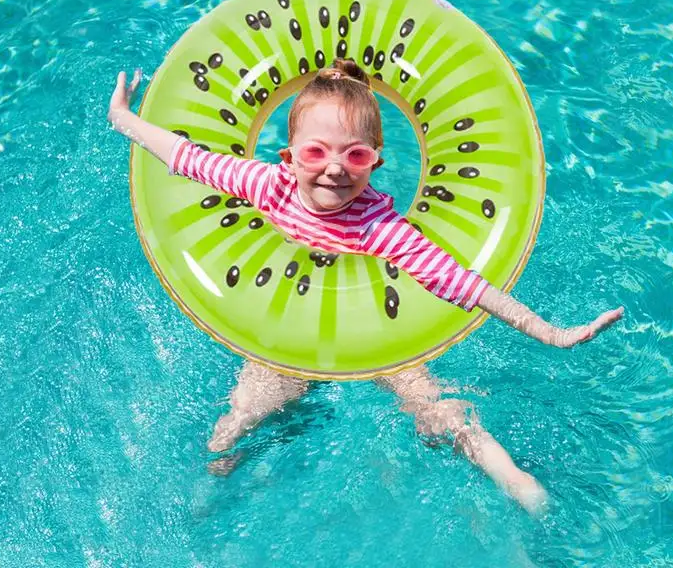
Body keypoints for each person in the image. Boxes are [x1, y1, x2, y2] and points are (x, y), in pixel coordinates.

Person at [108, 59, 623, 516]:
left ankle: (513, 479)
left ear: (374, 160)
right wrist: (125, 120)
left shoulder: (378, 226)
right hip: (286, 331)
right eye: (316, 152)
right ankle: (215, 485)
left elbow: (462, 282)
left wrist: (548, 332)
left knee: (437, 408)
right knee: (239, 419)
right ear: (289, 156)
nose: (334, 168)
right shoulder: (267, 184)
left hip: (372, 335)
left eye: (354, 156)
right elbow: (188, 157)